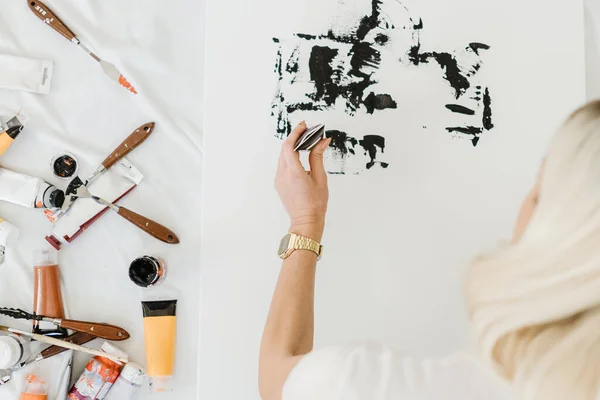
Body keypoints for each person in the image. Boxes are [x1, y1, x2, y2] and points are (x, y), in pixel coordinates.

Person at [259, 100, 600, 400]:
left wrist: (305, 221)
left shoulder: (370, 385)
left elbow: (277, 380)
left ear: (560, 234)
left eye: (539, 191)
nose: (526, 203)